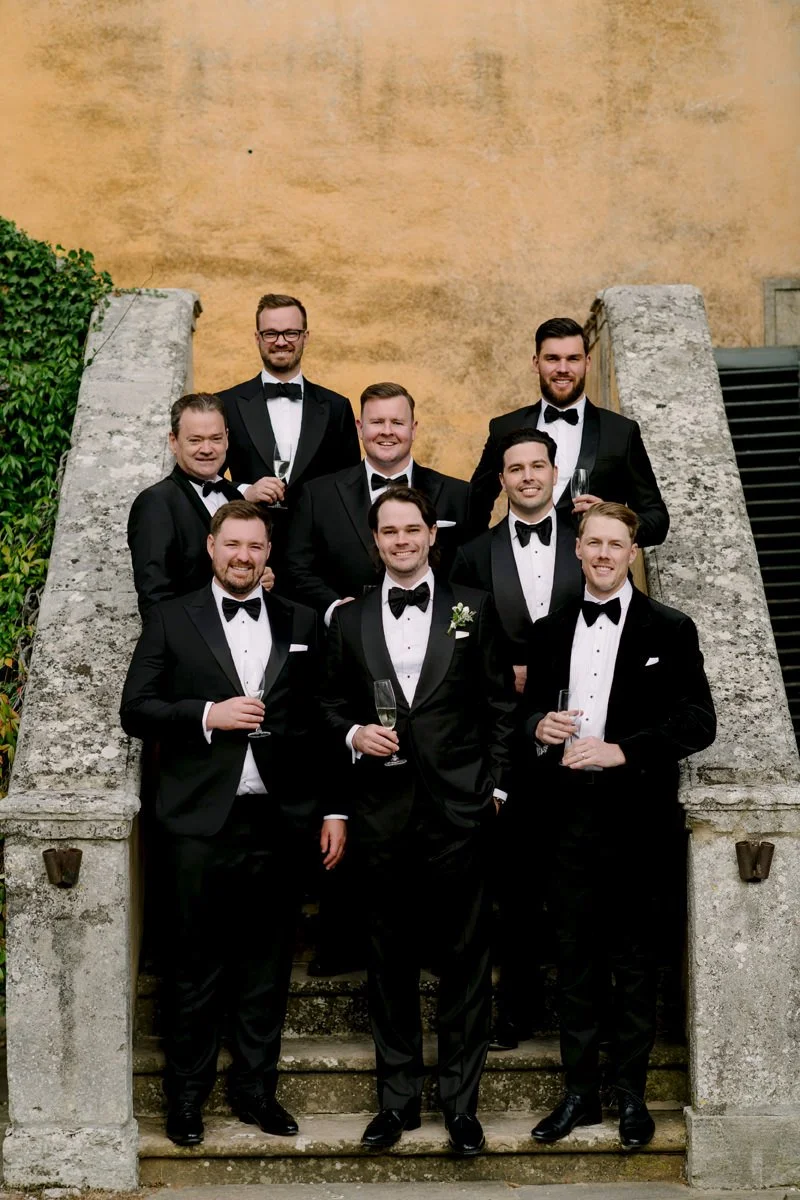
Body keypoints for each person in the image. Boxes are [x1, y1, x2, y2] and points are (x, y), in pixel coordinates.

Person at [120, 501, 346, 1148]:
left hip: (280, 821)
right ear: (212, 547)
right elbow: (136, 708)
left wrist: (333, 809)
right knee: (193, 968)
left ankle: (256, 1093)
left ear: (267, 553)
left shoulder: (302, 621)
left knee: (266, 968)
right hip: (196, 824)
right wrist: (206, 715)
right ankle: (186, 1102)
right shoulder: (171, 617)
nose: (244, 556)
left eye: (256, 547)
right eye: (233, 545)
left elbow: (323, 724)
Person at [321, 487, 515, 1157]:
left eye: (413, 530)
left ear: (432, 535)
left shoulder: (474, 608)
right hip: (382, 815)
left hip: (460, 811)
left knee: (465, 963)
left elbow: (499, 707)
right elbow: (324, 704)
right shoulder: (347, 622)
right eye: (389, 532)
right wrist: (352, 734)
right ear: (375, 542)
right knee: (388, 963)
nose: (402, 541)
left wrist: (497, 791)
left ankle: (462, 1107)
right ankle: (397, 1102)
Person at [523, 502, 716, 1148]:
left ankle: (631, 1096)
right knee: (574, 963)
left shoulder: (670, 628)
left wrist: (622, 749)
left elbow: (697, 722)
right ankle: (579, 1094)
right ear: (577, 550)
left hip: (637, 820)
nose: (604, 555)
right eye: (593, 544)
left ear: (632, 552)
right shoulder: (548, 630)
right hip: (566, 818)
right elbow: (525, 713)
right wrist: (538, 728)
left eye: (616, 544)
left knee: (634, 964)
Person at [450, 427, 583, 1053]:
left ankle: (583, 1013)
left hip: (578, 734)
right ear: (500, 481)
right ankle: (517, 1007)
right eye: (515, 469)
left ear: (555, 474)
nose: (528, 477)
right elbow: (459, 640)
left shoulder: (592, 545)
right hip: (501, 739)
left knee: (575, 879)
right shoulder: (473, 554)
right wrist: (506, 674)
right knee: (510, 885)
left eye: (538, 466)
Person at [468, 317, 669, 546]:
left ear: (587, 362)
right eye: (552, 359)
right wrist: (488, 560)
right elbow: (473, 507)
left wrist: (611, 519)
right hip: (519, 576)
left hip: (594, 576)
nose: (563, 369)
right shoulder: (504, 428)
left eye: (573, 359)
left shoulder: (621, 432)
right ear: (536, 363)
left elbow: (657, 520)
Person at [286, 381, 470, 623]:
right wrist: (334, 608)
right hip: (347, 643)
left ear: (413, 429)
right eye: (376, 422)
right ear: (360, 428)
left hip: (436, 634)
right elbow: (295, 567)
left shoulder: (457, 493)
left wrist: (456, 623)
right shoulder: (317, 495)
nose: (387, 431)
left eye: (397, 422)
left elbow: (470, 570)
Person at [217, 293, 360, 566]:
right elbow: (205, 480)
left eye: (291, 333)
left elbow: (349, 485)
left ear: (305, 337)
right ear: (257, 338)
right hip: (246, 557)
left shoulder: (336, 407)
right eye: (271, 333)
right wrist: (245, 490)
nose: (281, 341)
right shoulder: (226, 404)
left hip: (320, 560)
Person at [127, 393, 245, 617]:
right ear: (174, 441)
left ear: (227, 439)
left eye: (216, 438)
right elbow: (155, 599)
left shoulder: (237, 497)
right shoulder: (155, 502)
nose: (207, 448)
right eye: (195, 440)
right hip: (190, 645)